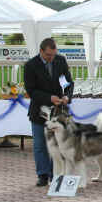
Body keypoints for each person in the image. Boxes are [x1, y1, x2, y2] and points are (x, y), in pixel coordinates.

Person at [24, 38, 73, 186]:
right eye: (48, 55)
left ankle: (56, 174)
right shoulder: (30, 65)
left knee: (59, 144)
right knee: (40, 145)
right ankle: (43, 175)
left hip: (59, 113)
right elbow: (31, 91)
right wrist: (49, 98)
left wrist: (66, 96)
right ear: (41, 51)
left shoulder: (60, 61)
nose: (51, 58)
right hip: (39, 112)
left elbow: (68, 83)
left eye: (53, 55)